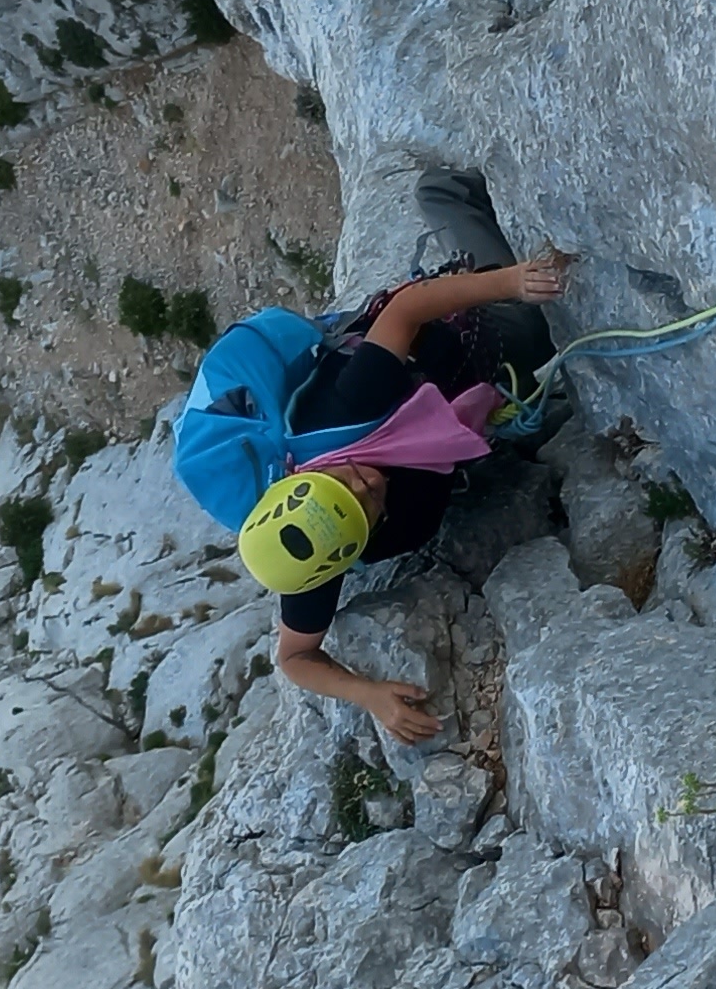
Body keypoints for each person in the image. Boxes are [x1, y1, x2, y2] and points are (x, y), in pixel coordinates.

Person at [238, 242, 572, 743]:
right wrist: (368, 695)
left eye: (340, 481)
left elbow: (407, 309)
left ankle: (454, 201)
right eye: (364, 506)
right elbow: (294, 658)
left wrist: (510, 282)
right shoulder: (319, 559)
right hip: (460, 424)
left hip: (462, 353)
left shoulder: (349, 410)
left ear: (298, 481)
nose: (366, 481)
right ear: (347, 554)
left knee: (541, 327)